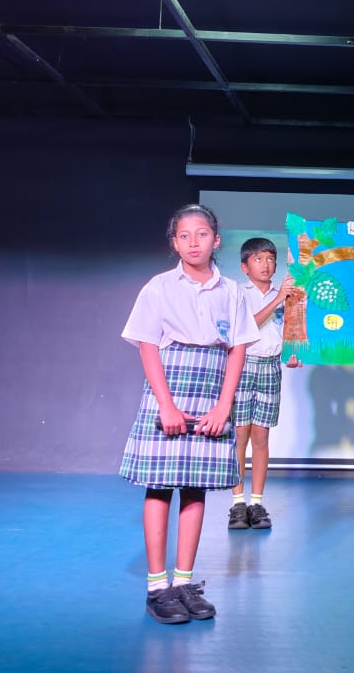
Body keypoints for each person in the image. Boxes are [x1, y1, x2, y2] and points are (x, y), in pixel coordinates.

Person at [119, 203, 260, 624]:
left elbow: (238, 348)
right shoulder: (159, 287)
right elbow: (147, 345)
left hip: (211, 391)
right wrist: (165, 404)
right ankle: (157, 587)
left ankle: (183, 582)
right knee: (160, 486)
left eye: (202, 234)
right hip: (169, 388)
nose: (193, 242)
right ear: (174, 242)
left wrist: (224, 405)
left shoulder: (231, 291)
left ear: (216, 240)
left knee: (195, 487)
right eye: (184, 235)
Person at [229, 237, 303, 531]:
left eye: (271, 259)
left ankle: (256, 503)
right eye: (258, 259)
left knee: (261, 436)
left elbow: (291, 330)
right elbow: (246, 328)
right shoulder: (238, 294)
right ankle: (237, 503)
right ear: (244, 267)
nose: (266, 264)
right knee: (240, 435)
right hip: (242, 366)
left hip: (270, 366)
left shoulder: (288, 294)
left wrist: (293, 352)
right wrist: (278, 300)